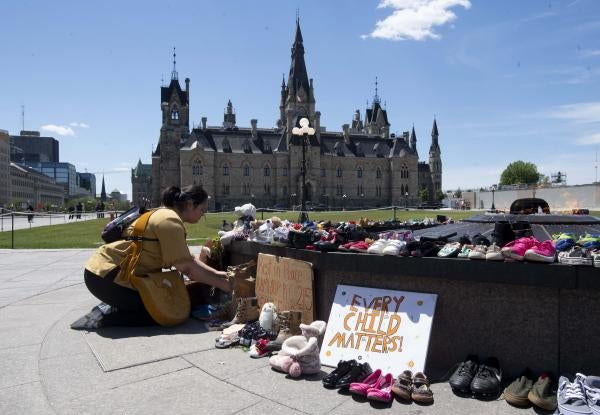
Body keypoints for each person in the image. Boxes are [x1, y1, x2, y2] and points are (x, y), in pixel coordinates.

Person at [71, 184, 231, 329]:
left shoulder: (162, 214)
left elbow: (188, 259)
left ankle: (114, 304)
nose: (202, 215)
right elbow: (187, 268)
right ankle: (103, 316)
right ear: (190, 205)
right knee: (161, 313)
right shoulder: (170, 221)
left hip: (103, 272)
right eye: (202, 210)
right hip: (107, 277)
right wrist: (225, 286)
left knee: (160, 306)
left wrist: (218, 275)